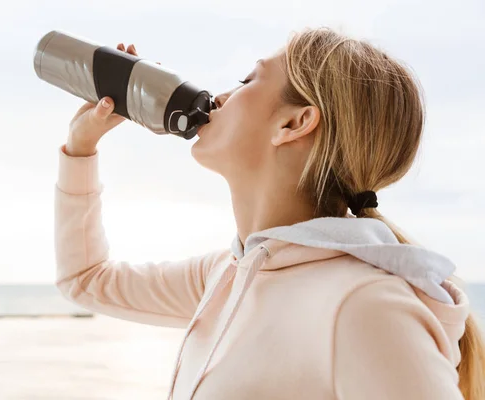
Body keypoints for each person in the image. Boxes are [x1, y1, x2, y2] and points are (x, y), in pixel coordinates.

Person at [53, 28, 485, 399]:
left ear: (294, 124)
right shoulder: (224, 275)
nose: (220, 95)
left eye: (247, 80)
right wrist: (81, 147)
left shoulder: (367, 305)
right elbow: (86, 281)